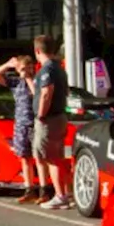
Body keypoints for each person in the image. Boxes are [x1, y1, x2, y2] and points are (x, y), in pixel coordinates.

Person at [31, 35, 72, 209]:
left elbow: (47, 93)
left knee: (50, 158)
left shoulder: (47, 70)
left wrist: (41, 114)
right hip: (59, 116)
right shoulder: (59, 68)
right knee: (58, 156)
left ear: (37, 51)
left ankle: (60, 195)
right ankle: (65, 192)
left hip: (50, 119)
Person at [0, 55, 39, 202]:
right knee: (24, 157)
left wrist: (28, 78)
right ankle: (29, 189)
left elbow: (37, 94)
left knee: (40, 157)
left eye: (29, 67)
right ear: (18, 70)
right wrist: (8, 64)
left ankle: (44, 189)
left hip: (36, 124)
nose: (27, 70)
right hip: (20, 124)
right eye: (23, 68)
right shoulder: (15, 83)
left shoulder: (38, 80)